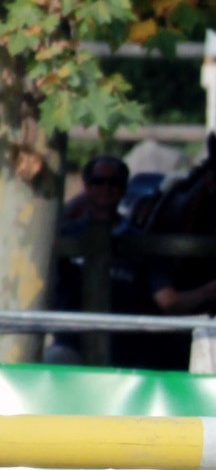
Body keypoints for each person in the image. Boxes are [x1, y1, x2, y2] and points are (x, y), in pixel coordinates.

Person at [46, 155, 129, 364]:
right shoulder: (64, 236)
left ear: (124, 188)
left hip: (128, 349)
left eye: (114, 182)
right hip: (71, 344)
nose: (106, 188)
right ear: (87, 186)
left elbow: (163, 298)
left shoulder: (139, 238)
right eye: (98, 182)